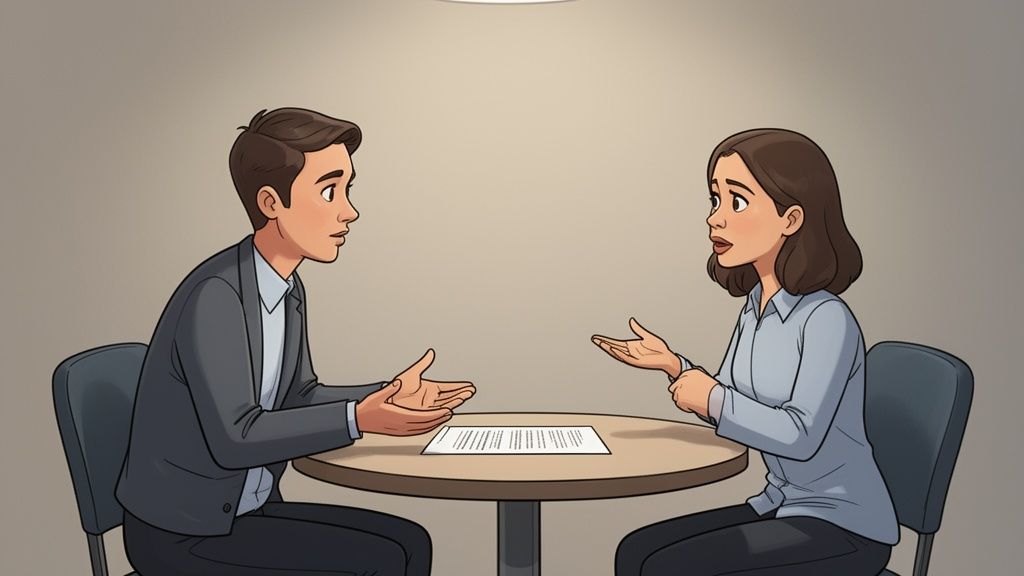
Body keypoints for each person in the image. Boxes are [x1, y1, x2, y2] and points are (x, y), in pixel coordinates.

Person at [116, 107, 476, 575]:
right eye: (329, 191)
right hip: (184, 534)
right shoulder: (217, 296)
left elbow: (298, 396)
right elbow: (236, 439)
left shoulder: (286, 289)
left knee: (411, 543)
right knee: (383, 562)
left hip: (244, 511)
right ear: (270, 203)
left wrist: (384, 394)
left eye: (347, 190)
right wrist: (358, 418)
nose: (349, 211)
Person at [593, 128, 898, 575]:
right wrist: (675, 367)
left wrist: (711, 398)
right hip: (780, 503)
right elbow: (731, 403)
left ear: (791, 219)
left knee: (667, 568)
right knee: (636, 551)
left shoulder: (826, 319)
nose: (714, 219)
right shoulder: (756, 308)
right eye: (714, 199)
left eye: (737, 202)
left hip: (844, 525)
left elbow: (799, 436)